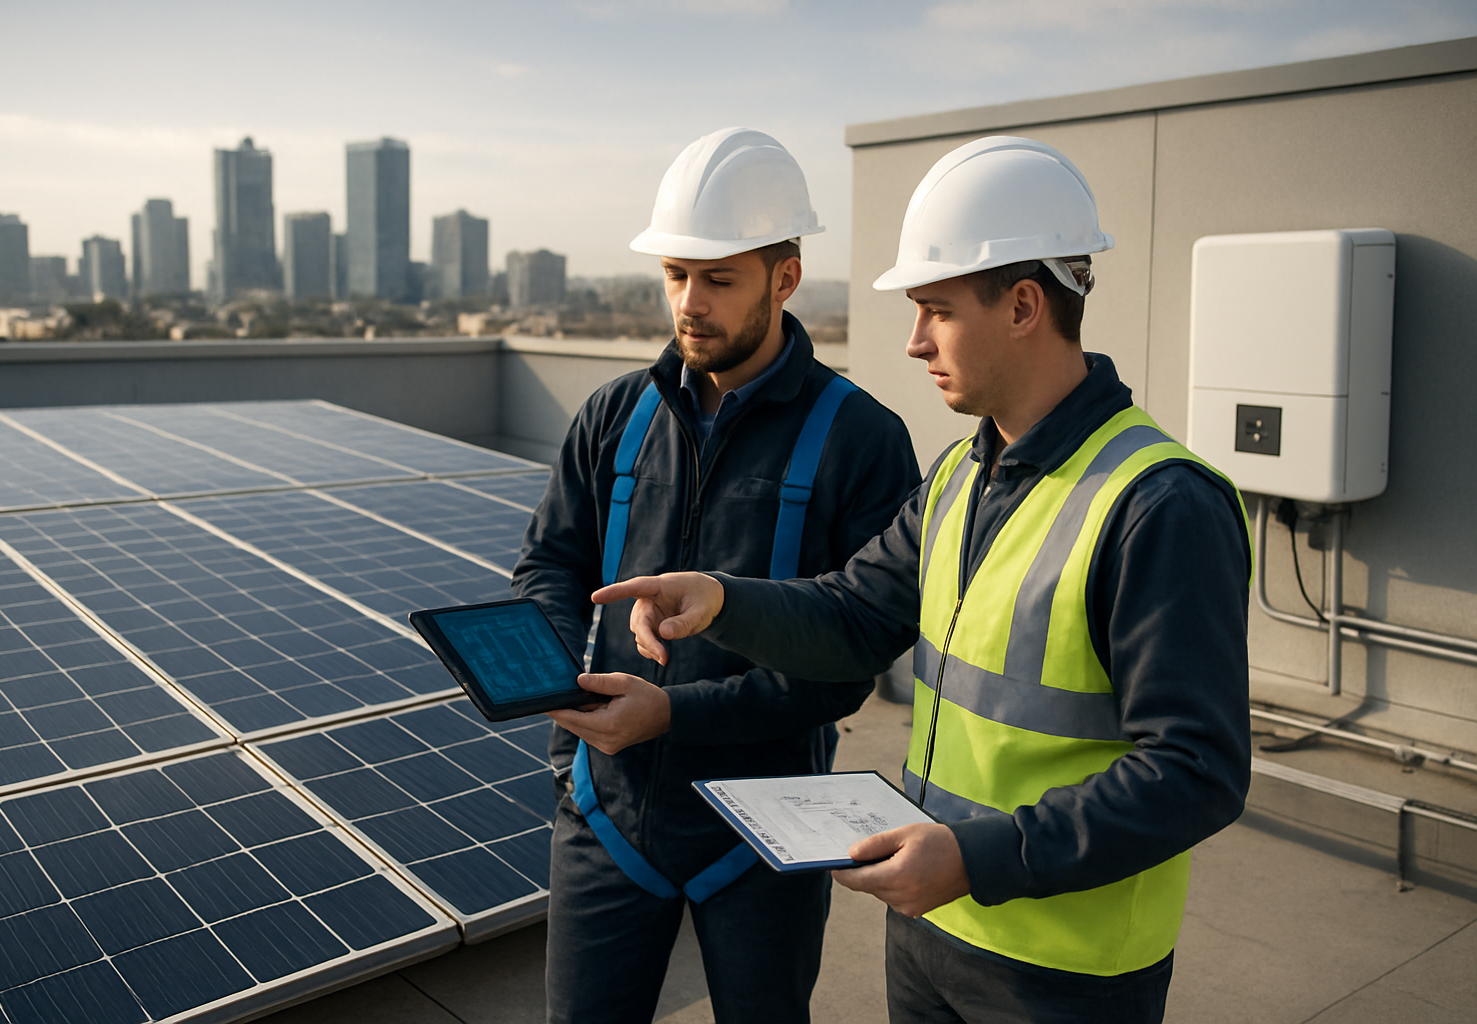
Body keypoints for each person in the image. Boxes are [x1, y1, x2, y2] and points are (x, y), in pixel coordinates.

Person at [593, 136, 1253, 1024]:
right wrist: (723, 598)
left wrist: (979, 858)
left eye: (936, 310)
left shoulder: (1159, 504)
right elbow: (854, 615)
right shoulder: (961, 476)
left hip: (1063, 971)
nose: (913, 342)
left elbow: (1197, 770)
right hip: (934, 930)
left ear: (1023, 305)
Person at [512, 126, 920, 1024]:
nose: (689, 303)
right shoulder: (615, 415)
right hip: (607, 808)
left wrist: (673, 714)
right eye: (675, 274)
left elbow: (850, 660)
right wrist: (553, 678)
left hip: (769, 826)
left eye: (720, 279)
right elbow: (551, 561)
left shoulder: (861, 439)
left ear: (786, 277)